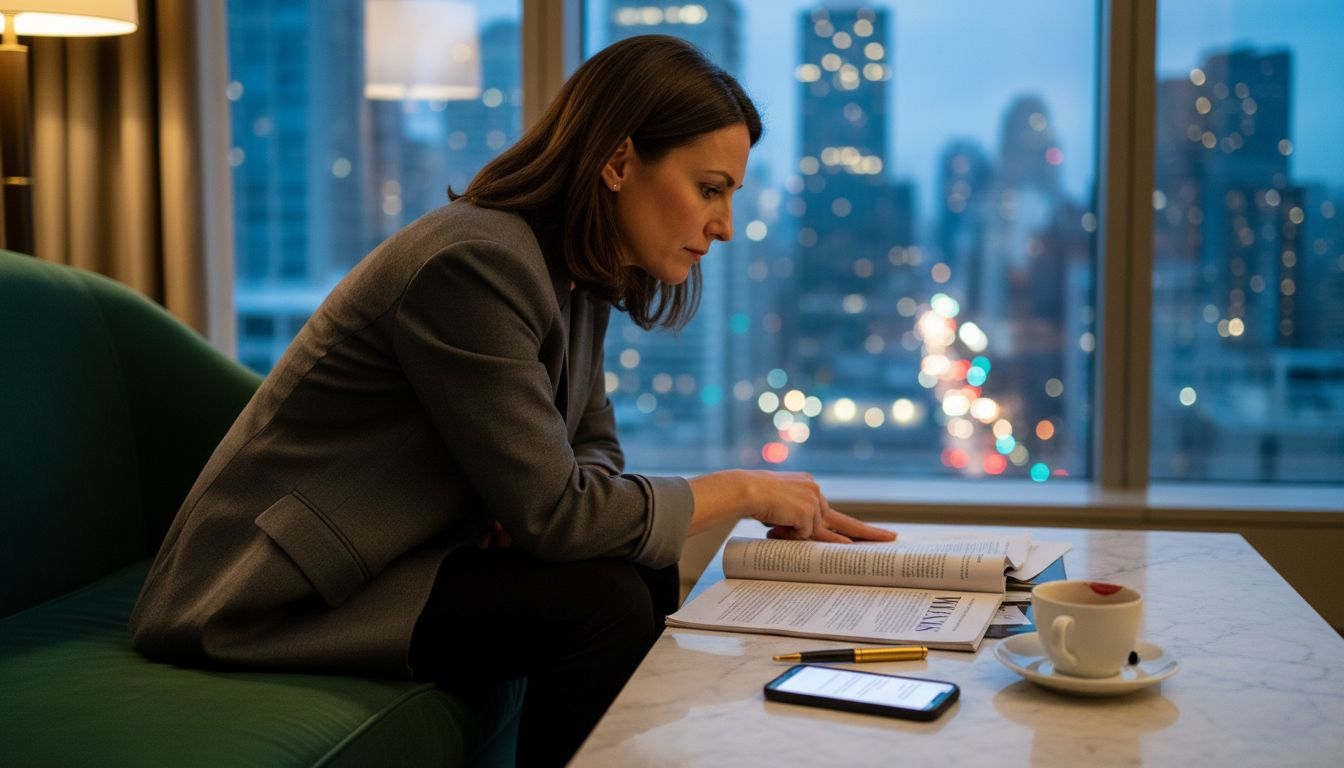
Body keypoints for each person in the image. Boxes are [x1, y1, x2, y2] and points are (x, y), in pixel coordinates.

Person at [130, 34, 895, 766]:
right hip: (272, 591)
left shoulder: (577, 271)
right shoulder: (475, 263)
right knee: (603, 602)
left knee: (640, 570)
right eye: (709, 190)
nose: (723, 226)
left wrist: (533, 504)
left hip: (406, 554)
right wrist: (743, 489)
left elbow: (591, 455)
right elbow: (561, 511)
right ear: (620, 161)